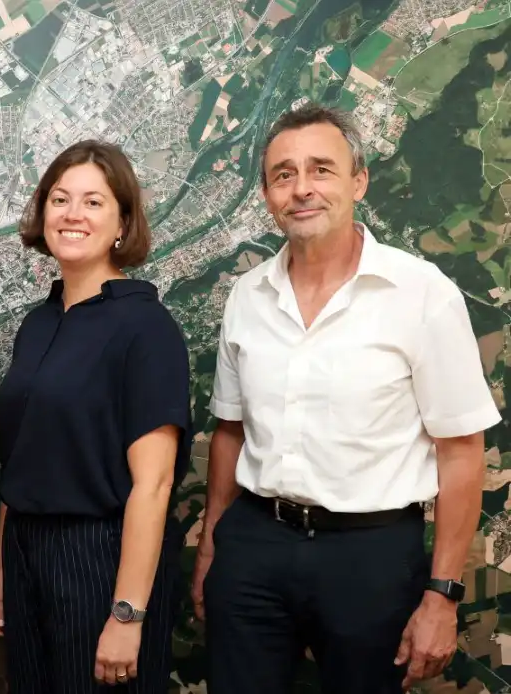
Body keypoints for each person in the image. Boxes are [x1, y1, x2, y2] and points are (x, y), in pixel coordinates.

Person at [191, 103, 502, 693]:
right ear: (267, 194)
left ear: (358, 180)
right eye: (283, 174)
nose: (302, 188)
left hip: (372, 554)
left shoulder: (422, 294)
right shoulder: (246, 297)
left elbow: (461, 451)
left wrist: (441, 595)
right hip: (254, 543)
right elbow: (229, 432)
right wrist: (212, 546)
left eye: (321, 170)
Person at [0, 140, 191, 693]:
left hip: (102, 557)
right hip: (27, 553)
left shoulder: (145, 327)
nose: (73, 214)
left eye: (94, 202)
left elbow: (156, 483)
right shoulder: (39, 323)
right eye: (60, 199)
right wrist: (3, 565)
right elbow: (24, 458)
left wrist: (127, 616)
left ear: (122, 222)